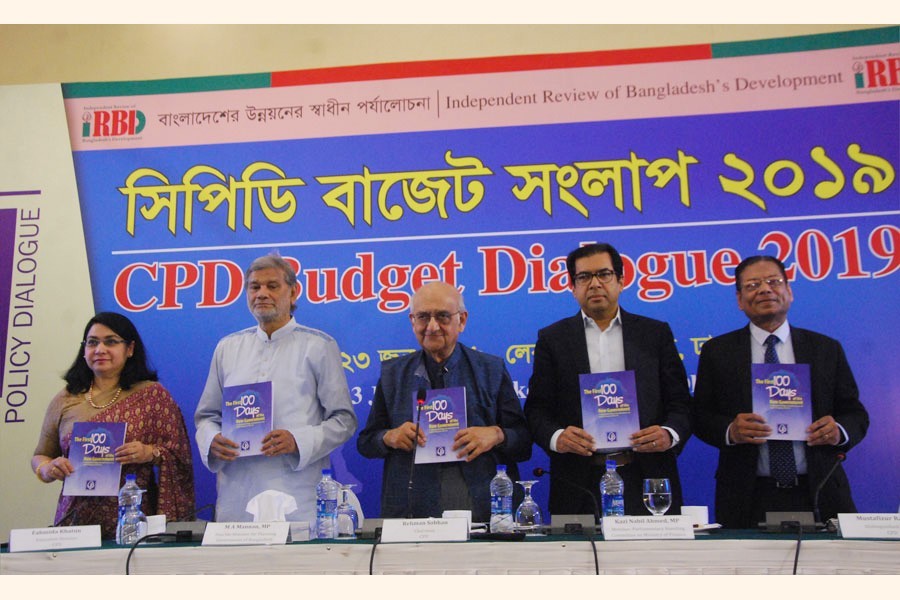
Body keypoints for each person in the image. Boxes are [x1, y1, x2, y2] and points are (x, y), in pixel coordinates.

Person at [692, 255, 869, 528]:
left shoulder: (825, 348)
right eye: (752, 285)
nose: (765, 289)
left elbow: (854, 413)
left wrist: (838, 431)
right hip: (747, 494)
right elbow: (701, 417)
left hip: (820, 488)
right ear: (739, 300)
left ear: (789, 292)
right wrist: (731, 430)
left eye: (774, 282)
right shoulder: (718, 352)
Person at [524, 243, 691, 518]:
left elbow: (681, 403)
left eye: (604, 274)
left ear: (621, 281)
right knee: (577, 560)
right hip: (578, 481)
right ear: (572, 286)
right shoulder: (553, 339)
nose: (594, 284)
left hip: (647, 477)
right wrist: (558, 437)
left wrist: (668, 434)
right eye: (584, 277)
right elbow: (537, 410)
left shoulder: (654, 333)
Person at [194, 253, 358, 524]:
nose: (261, 294)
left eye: (272, 286)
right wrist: (212, 440)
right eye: (254, 286)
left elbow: (344, 420)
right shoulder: (228, 347)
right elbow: (206, 417)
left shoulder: (318, 345)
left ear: (293, 292)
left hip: (296, 495)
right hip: (237, 494)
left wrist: (298, 440)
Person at [357, 281, 531, 522]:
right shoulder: (393, 374)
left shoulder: (490, 369)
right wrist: (389, 437)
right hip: (412, 508)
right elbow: (366, 443)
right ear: (412, 321)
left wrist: (496, 435)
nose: (432, 326)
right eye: (423, 317)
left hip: (481, 505)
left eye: (442, 316)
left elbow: (524, 442)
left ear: (462, 320)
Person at [31, 311, 195, 539]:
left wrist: (149, 452)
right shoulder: (66, 398)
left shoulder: (153, 395)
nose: (100, 349)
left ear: (129, 349)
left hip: (133, 522)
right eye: (92, 342)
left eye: (111, 342)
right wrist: (47, 469)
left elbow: (180, 456)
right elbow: (40, 455)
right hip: (73, 522)